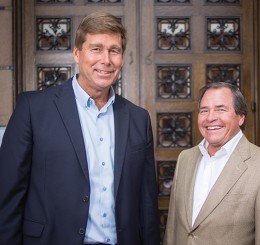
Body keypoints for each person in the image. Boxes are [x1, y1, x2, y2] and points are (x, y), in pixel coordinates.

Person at [0, 12, 160, 245]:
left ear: (122, 58)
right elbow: (8, 196)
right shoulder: (33, 109)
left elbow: (147, 202)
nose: (106, 60)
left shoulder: (138, 118)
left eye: (114, 51)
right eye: (96, 49)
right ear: (77, 53)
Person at [164, 82, 260, 245]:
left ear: (241, 117)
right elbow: (173, 229)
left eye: (221, 109)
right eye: (204, 110)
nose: (210, 117)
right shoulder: (185, 159)